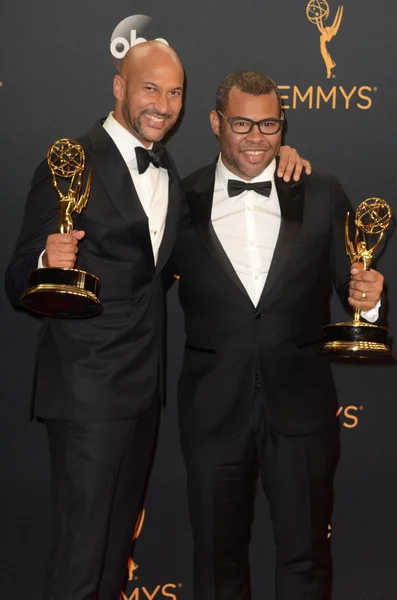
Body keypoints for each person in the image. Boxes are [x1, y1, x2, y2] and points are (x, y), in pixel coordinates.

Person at [5, 45, 308, 600]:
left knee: (115, 552)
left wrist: (278, 152)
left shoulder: (168, 169)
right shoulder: (72, 157)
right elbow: (17, 277)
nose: (163, 104)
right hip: (85, 393)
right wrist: (46, 263)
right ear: (119, 86)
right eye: (150, 88)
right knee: (79, 559)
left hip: (145, 395)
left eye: (175, 93)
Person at [170, 70, 384, 600]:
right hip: (213, 408)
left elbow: (351, 283)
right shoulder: (178, 197)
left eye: (269, 124)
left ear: (283, 126)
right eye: (242, 122)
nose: (256, 136)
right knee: (216, 565)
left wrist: (372, 301)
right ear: (216, 122)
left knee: (307, 559)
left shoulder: (321, 191)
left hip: (303, 409)